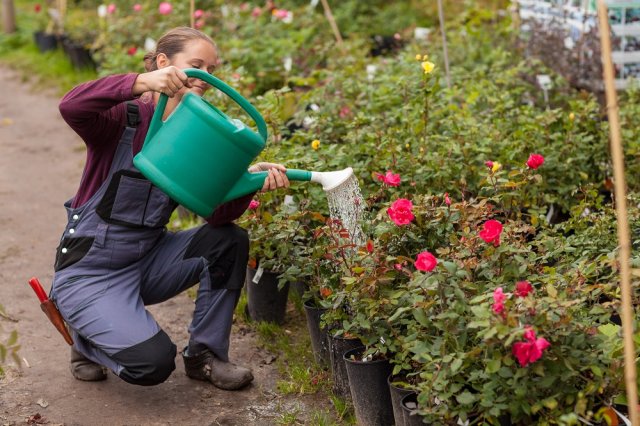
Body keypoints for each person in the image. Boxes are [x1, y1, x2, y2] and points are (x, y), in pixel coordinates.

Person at [51, 26, 289, 390]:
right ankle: (85, 337)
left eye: (213, 69)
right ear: (164, 63)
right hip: (91, 271)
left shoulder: (195, 133)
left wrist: (246, 180)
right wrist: (140, 82)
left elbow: (218, 216)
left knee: (228, 239)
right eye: (198, 66)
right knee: (152, 365)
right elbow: (71, 106)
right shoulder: (123, 118)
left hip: (148, 261)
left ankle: (205, 357)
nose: (207, 77)